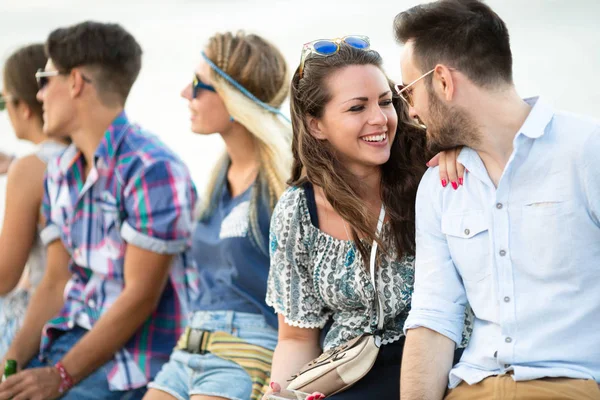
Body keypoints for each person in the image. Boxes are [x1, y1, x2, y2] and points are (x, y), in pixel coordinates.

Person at [395, 1, 600, 399]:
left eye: (407, 91)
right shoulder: (439, 185)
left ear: (442, 82)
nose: (411, 110)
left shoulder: (588, 151)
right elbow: (434, 318)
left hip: (573, 385)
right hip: (471, 387)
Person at [262, 37, 470, 400]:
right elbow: (297, 336)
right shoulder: (297, 211)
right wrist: (283, 393)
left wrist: (461, 148)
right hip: (349, 374)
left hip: (445, 358)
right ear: (316, 126)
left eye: (386, 102)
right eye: (357, 108)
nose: (380, 119)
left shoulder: (434, 169)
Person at [0, 21, 198, 400]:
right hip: (67, 344)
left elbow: (139, 296)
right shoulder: (61, 171)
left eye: (44, 79)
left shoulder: (151, 168)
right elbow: (56, 282)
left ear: (74, 82)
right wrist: (12, 359)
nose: (39, 95)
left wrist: (59, 376)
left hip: (131, 362)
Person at [143, 30, 292, 400]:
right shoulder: (215, 183)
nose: (184, 93)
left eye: (198, 84)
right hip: (190, 346)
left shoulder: (283, 184)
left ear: (233, 98)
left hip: (249, 346)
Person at [0, 43, 69, 359]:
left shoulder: (29, 169)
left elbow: (4, 277)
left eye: (3, 102)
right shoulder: (88, 154)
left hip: (44, 325)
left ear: (24, 106)